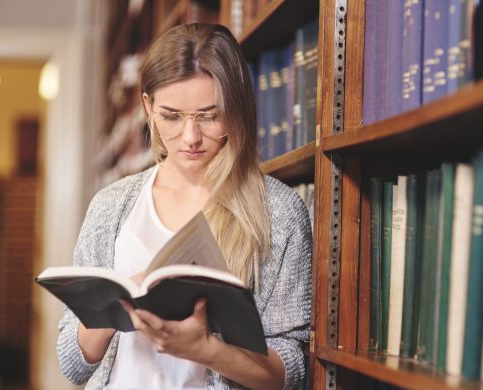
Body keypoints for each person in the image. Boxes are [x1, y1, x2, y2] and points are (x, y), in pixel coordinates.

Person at [56, 23, 312, 389]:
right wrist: (114, 307)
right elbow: (72, 363)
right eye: (172, 116)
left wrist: (208, 351)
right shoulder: (110, 207)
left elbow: (291, 374)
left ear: (236, 108)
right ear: (148, 106)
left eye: (209, 115)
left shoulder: (280, 213)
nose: (190, 137)